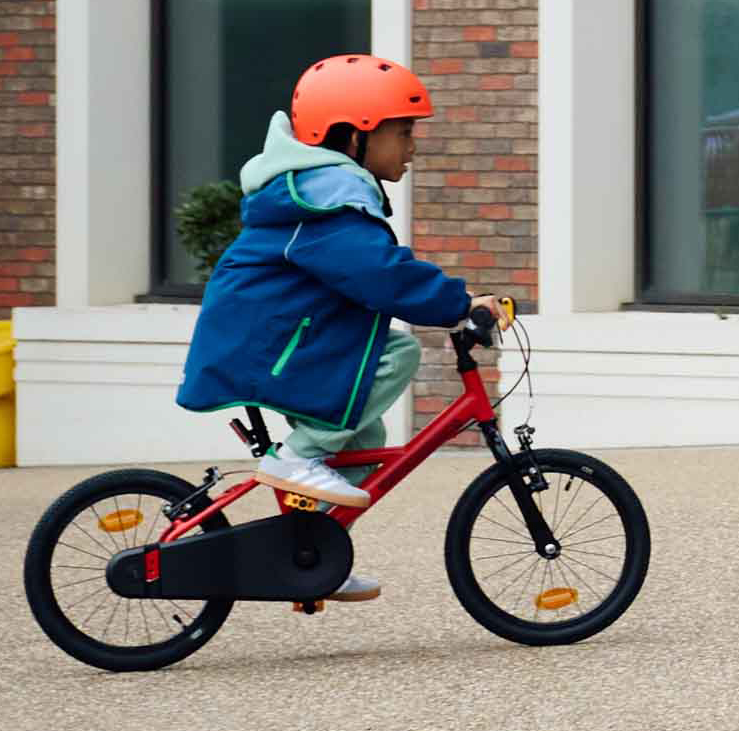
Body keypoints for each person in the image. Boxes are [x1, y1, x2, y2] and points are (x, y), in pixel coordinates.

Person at [176, 51, 498, 580]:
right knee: (399, 351)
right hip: (268, 346)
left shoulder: (322, 196)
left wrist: (453, 303)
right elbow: (379, 273)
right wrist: (459, 305)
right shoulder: (321, 203)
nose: (413, 145)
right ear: (354, 137)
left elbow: (374, 274)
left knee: (364, 444)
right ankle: (294, 456)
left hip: (288, 342)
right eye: (402, 132)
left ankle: (311, 556)